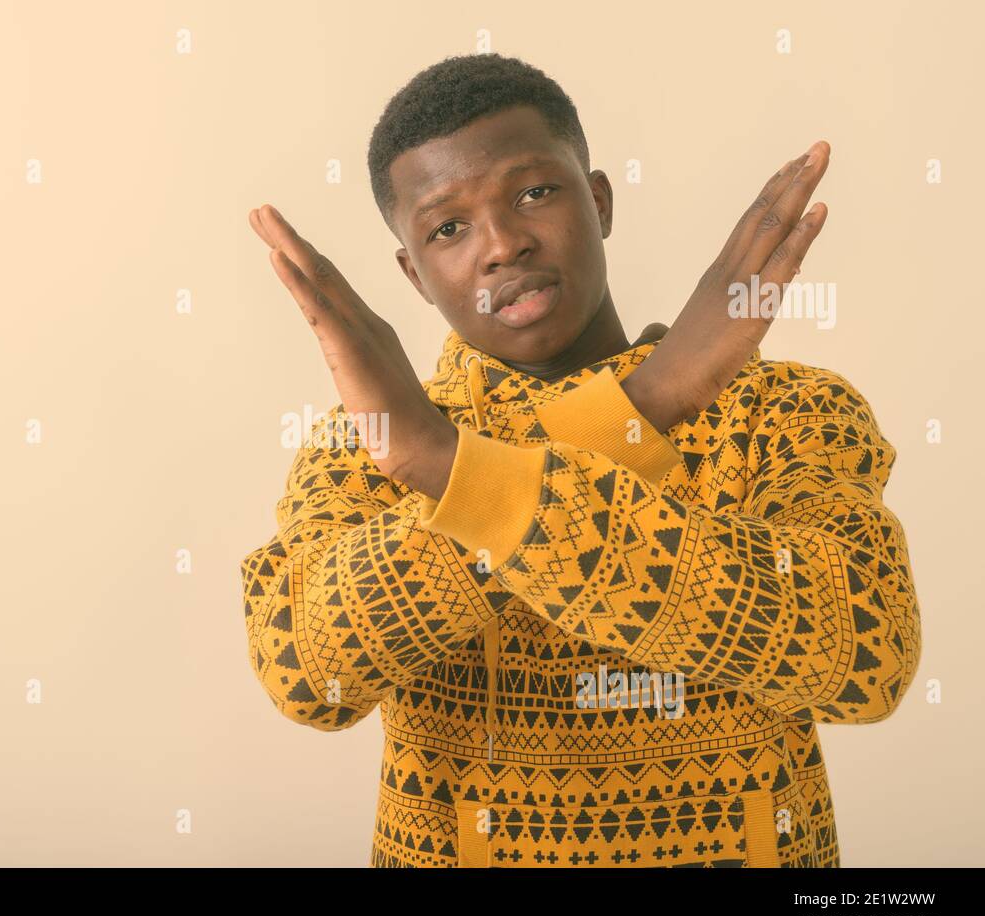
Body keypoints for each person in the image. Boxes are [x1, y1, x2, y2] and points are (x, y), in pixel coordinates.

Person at [240, 53, 920, 868]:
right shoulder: (367, 445)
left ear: (597, 200)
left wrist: (450, 473)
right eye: (446, 228)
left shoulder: (784, 409)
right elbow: (311, 676)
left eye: (534, 192)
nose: (501, 245)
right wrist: (643, 409)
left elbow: (867, 658)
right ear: (413, 276)